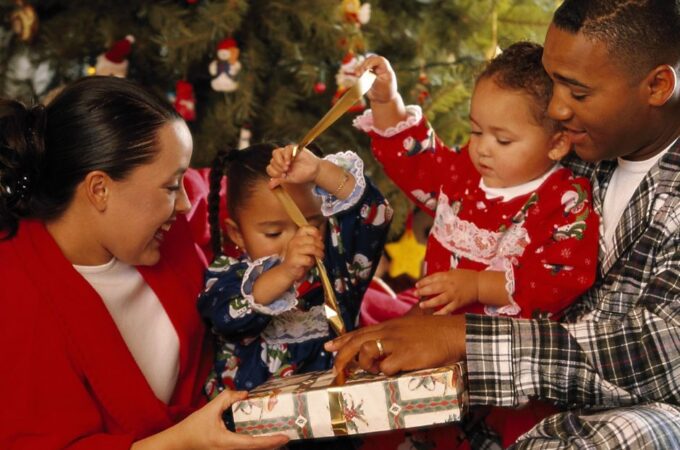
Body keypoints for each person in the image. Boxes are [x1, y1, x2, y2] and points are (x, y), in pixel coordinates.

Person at [327, 0, 680, 448]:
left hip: (616, 409)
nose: (555, 108)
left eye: (578, 92)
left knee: (636, 433)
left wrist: (463, 337)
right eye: (551, 85)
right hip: (491, 399)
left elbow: (660, 354)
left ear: (657, 85)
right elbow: (441, 176)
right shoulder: (570, 145)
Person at [0, 76, 288, 449]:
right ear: (99, 189)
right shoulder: (18, 300)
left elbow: (219, 194)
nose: (185, 203)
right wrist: (183, 442)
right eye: (171, 187)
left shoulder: (161, 228)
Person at [355, 41, 599, 322]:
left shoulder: (564, 203)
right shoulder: (465, 172)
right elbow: (416, 160)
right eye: (476, 130)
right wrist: (387, 102)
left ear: (556, 144)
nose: (482, 148)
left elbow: (557, 282)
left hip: (494, 348)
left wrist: (478, 286)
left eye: (503, 140)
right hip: (431, 320)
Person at [198, 143, 392, 397]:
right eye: (273, 232)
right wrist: (286, 271)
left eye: (311, 224)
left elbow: (374, 215)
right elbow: (226, 316)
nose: (296, 241)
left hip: (337, 418)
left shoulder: (337, 268)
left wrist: (320, 171)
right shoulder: (228, 276)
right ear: (237, 234)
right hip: (252, 425)